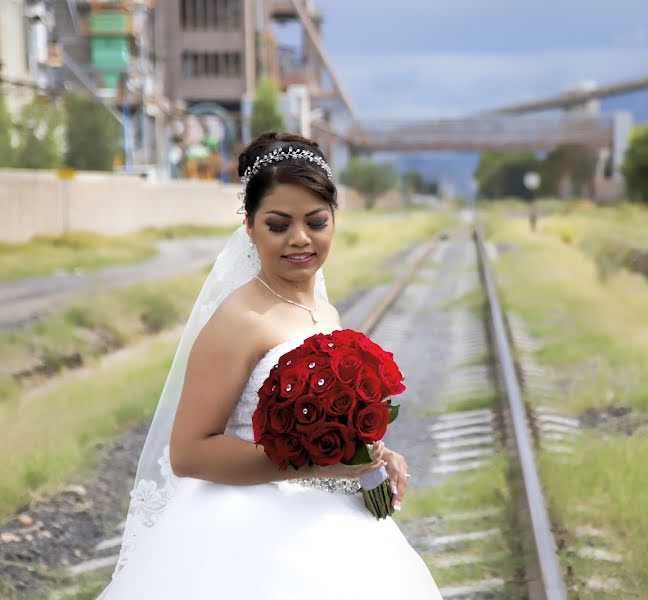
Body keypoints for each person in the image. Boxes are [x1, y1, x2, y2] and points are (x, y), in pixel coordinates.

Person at [96, 132, 442, 599]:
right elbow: (188, 453)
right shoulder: (238, 320)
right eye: (278, 225)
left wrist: (372, 454)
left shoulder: (323, 310)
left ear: (333, 220)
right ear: (249, 226)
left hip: (333, 527)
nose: (300, 239)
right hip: (247, 534)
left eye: (316, 221)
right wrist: (314, 462)